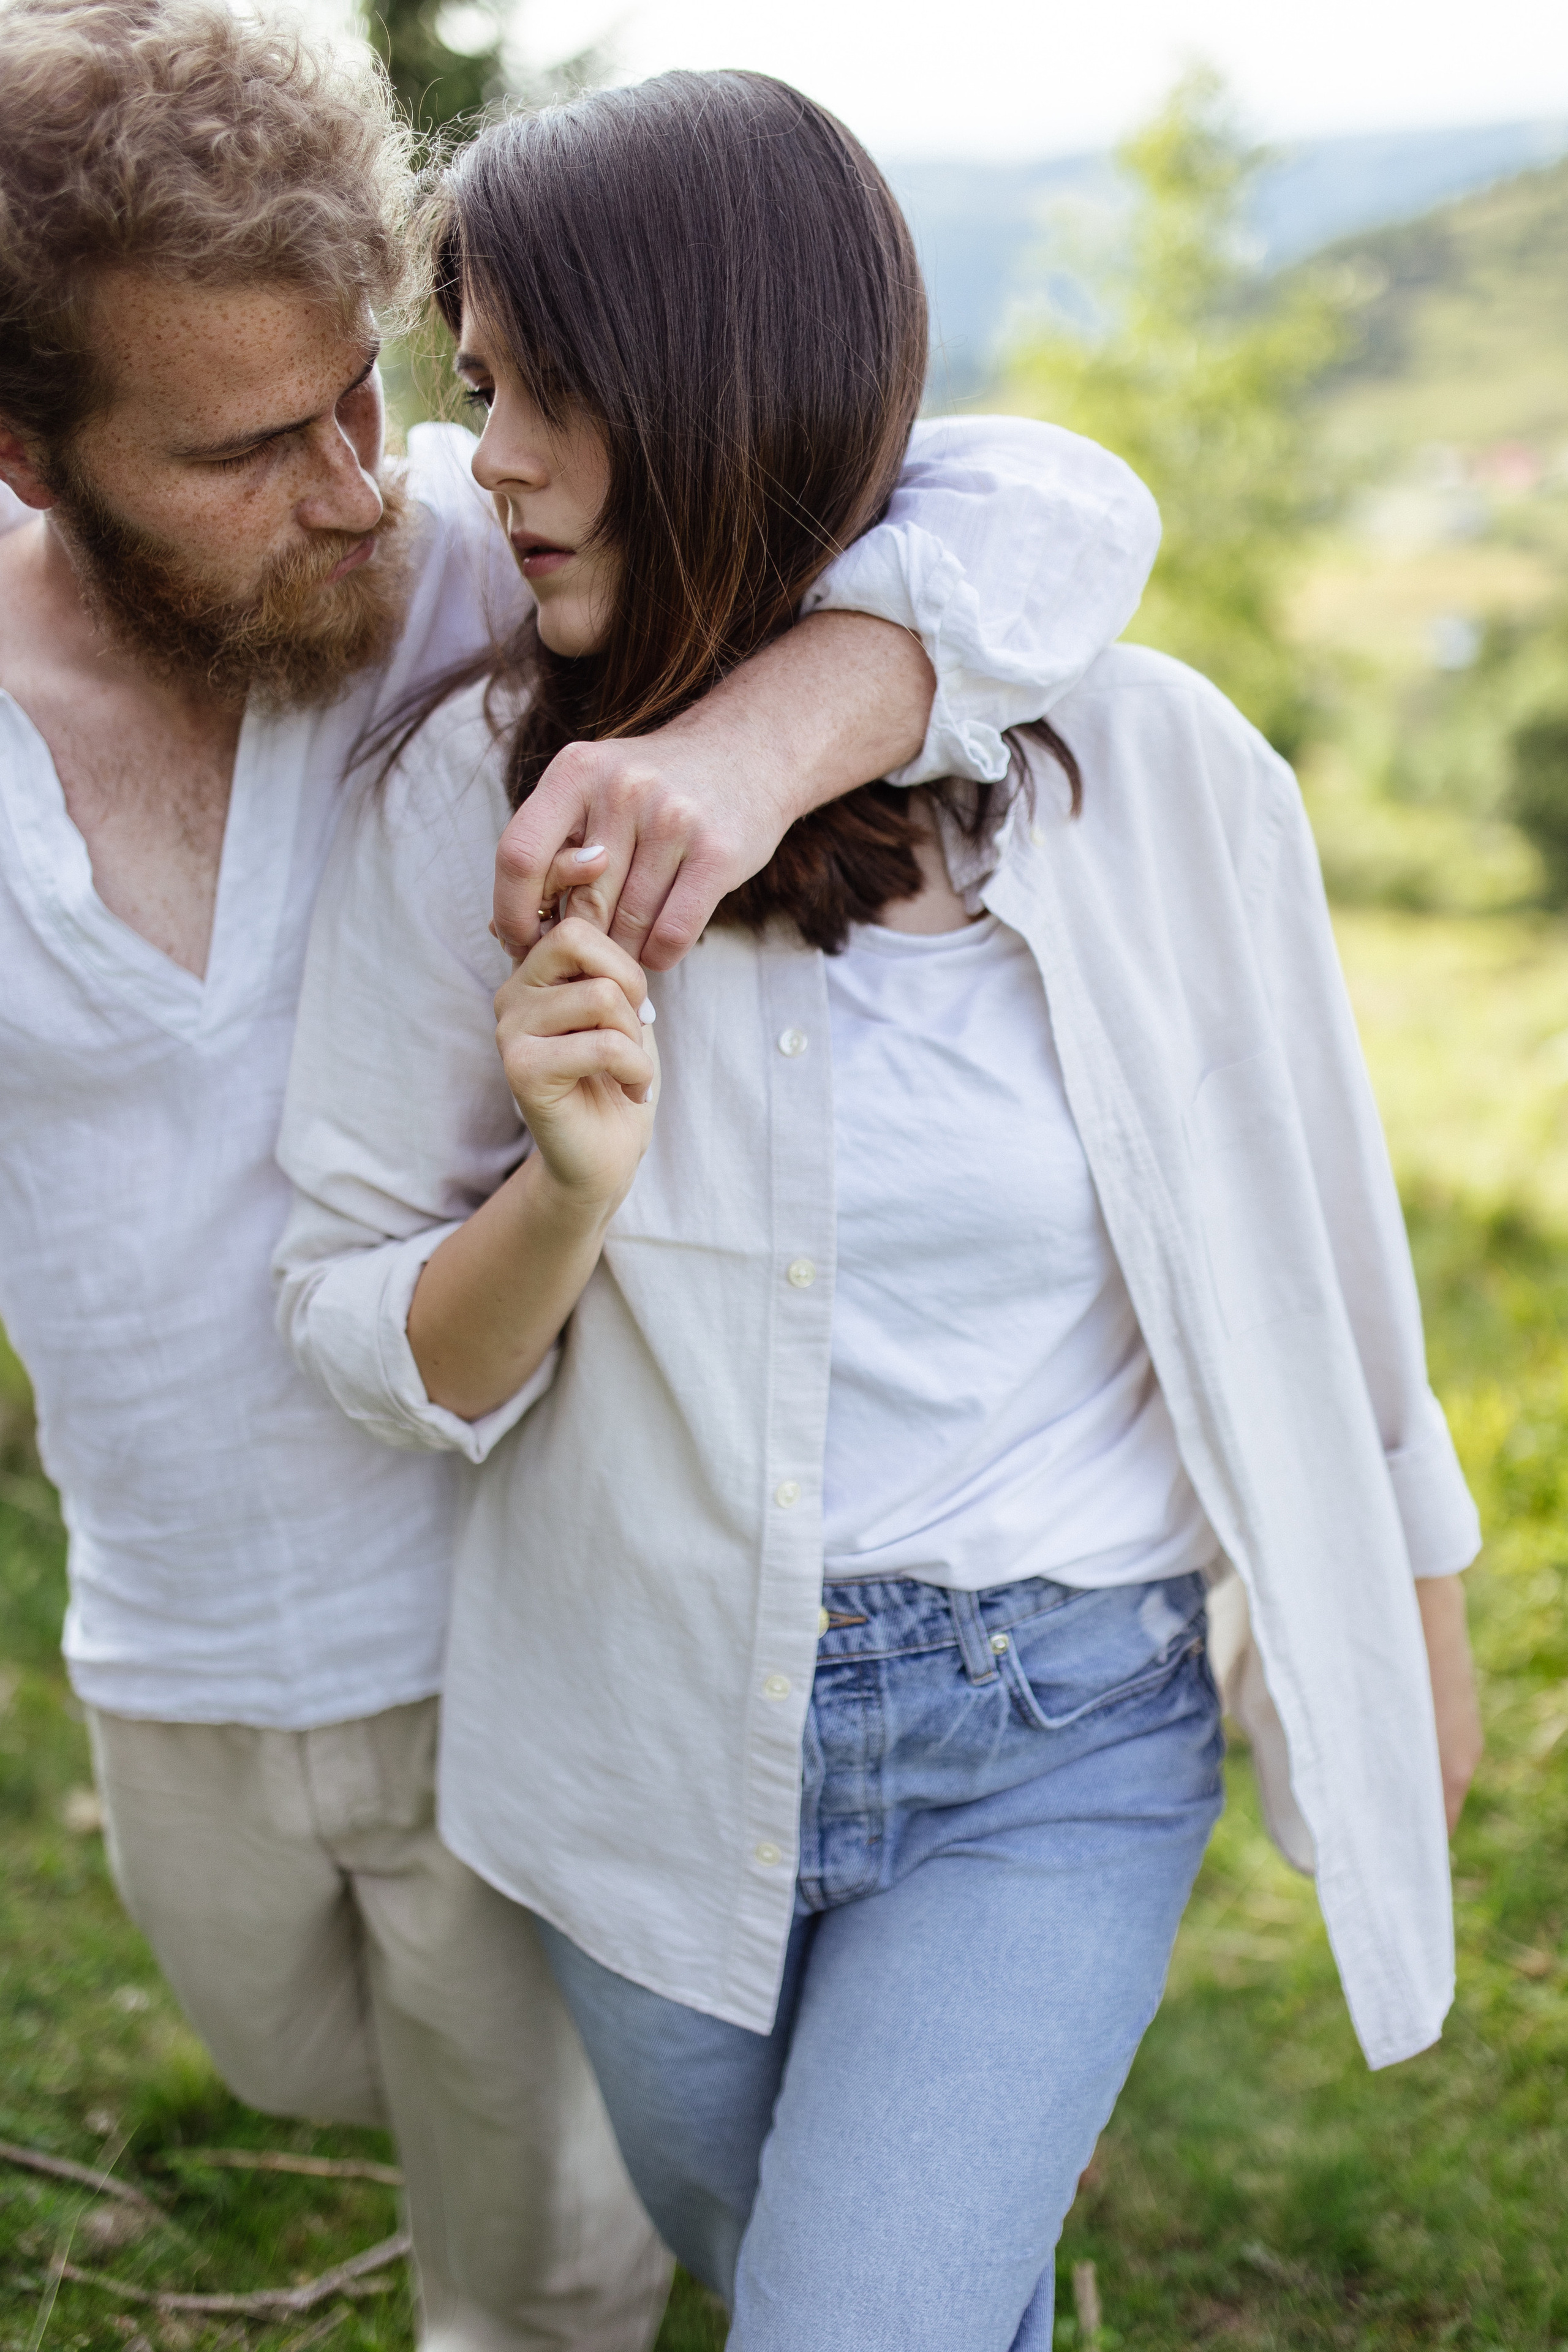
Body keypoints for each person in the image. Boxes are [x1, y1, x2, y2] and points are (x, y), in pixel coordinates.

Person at [276, 70, 1483, 2349]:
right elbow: (356, 1326)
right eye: (476, 385)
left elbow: (1324, 1238)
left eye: (540, 389)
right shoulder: (469, 800)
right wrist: (566, 1195)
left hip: (1064, 1725)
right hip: (636, 1734)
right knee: (807, 2276)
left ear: (715, 381)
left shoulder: (1154, 771)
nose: (482, 458)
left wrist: (1413, 1618)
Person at [0, 4, 1166, 2345]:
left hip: (525, 1618)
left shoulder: (480, 567)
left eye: (365, 393)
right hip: (173, 1624)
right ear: (29, 454)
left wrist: (752, 744)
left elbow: (1057, 515)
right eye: (243, 448)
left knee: (551, 2273)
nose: (355, 484)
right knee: (293, 2063)